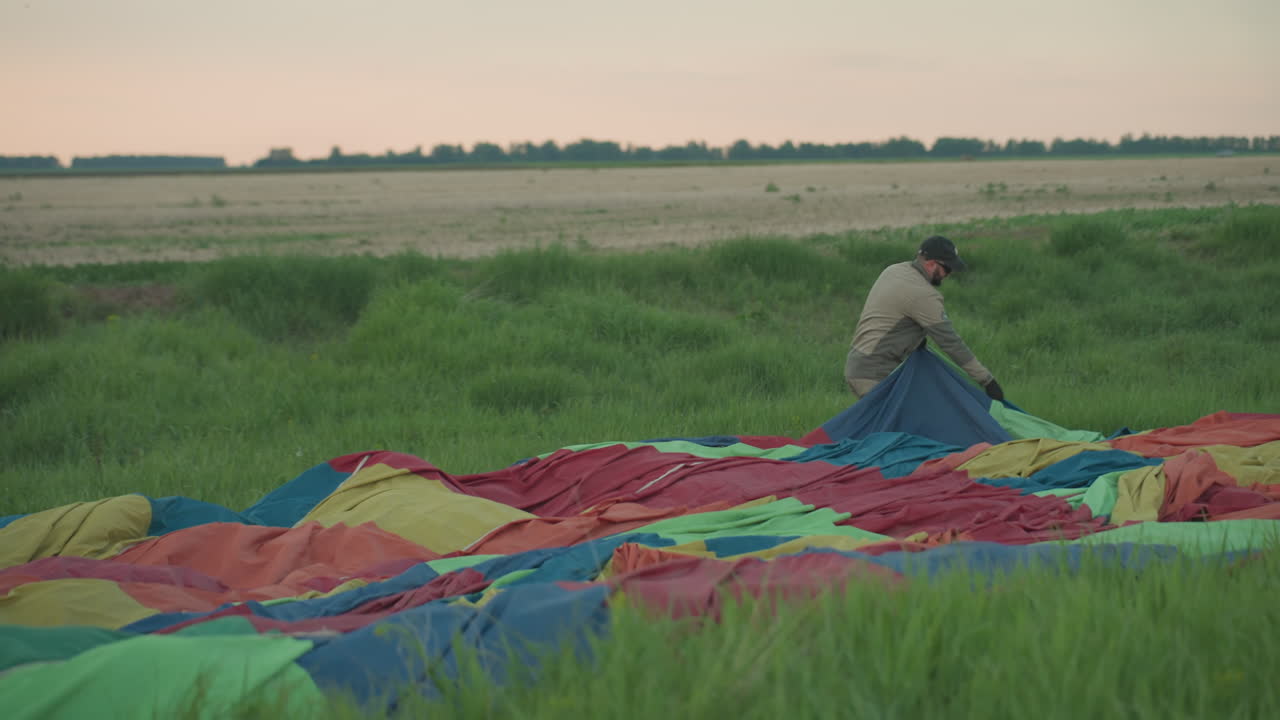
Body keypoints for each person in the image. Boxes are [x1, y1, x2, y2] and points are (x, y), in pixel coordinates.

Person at [843, 235, 1004, 402]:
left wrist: (913, 339)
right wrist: (987, 380)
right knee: (911, 424)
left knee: (899, 423)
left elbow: (892, 318)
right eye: (947, 269)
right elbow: (951, 343)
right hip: (874, 375)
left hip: (857, 366)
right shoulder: (924, 295)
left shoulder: (894, 271)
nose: (947, 275)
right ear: (931, 263)